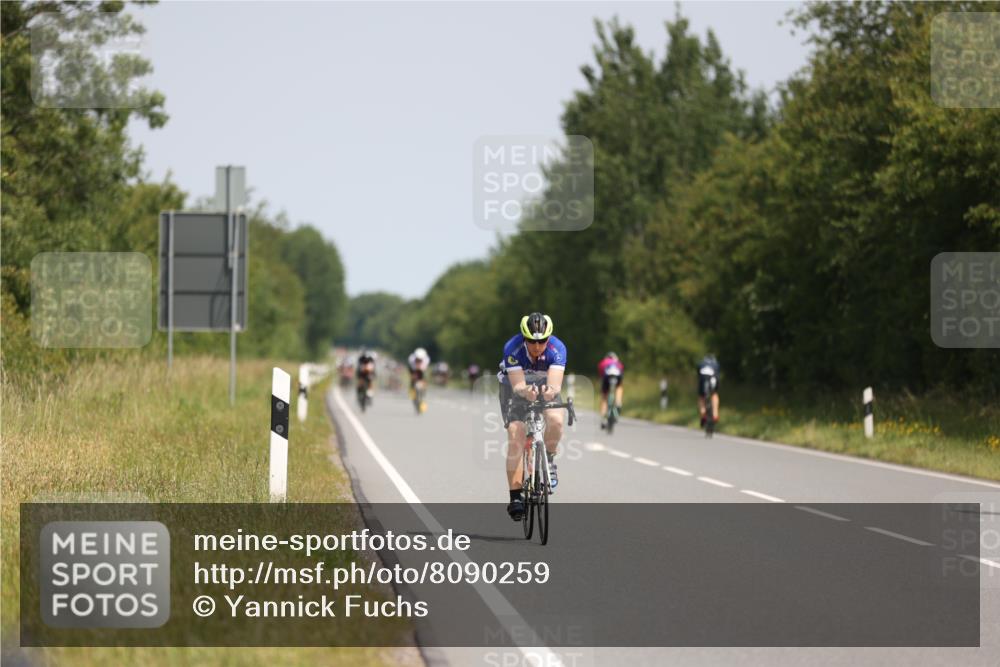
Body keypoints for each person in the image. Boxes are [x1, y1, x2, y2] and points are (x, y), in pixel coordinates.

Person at [497, 312, 567, 521]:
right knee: (516, 433)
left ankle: (550, 460)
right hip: (512, 386)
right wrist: (526, 392)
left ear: (549, 338)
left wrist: (548, 392)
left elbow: (554, 385)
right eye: (532, 341)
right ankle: (516, 497)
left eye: (542, 341)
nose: (537, 346)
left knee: (556, 420)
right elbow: (518, 385)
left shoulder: (558, 349)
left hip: (544, 384)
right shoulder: (513, 347)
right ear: (524, 338)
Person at [598, 351, 624, 430]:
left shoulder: (602, 362)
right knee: (619, 387)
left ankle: (603, 419)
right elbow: (621, 373)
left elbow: (601, 376)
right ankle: (618, 402)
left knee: (604, 398)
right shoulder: (618, 363)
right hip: (617, 377)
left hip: (606, 378)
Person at [697, 354, 721, 427]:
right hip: (713, 378)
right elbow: (718, 374)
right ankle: (715, 414)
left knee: (701, 396)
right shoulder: (716, 364)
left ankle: (703, 412)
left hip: (703, 378)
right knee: (714, 394)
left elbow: (698, 375)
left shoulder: (701, 363)